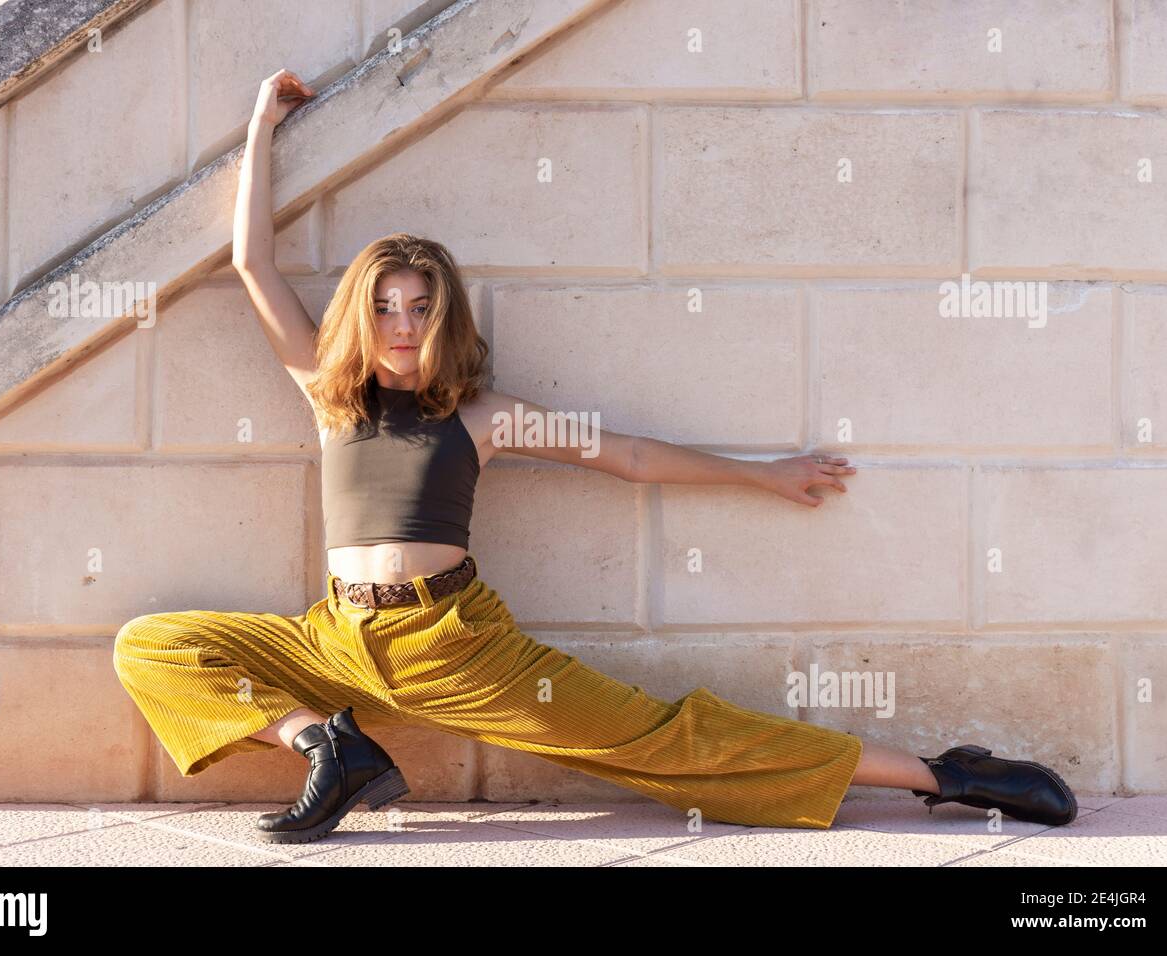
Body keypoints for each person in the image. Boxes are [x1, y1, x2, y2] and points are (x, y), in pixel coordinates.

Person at [112, 70, 1077, 845]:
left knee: (665, 742)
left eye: (420, 306)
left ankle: (945, 774)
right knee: (151, 644)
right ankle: (329, 743)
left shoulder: (483, 415)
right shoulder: (330, 398)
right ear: (357, 319)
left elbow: (635, 459)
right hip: (332, 642)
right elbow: (252, 264)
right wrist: (260, 123)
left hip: (455, 649)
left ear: (444, 318)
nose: (401, 325)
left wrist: (763, 472)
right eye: (382, 306)